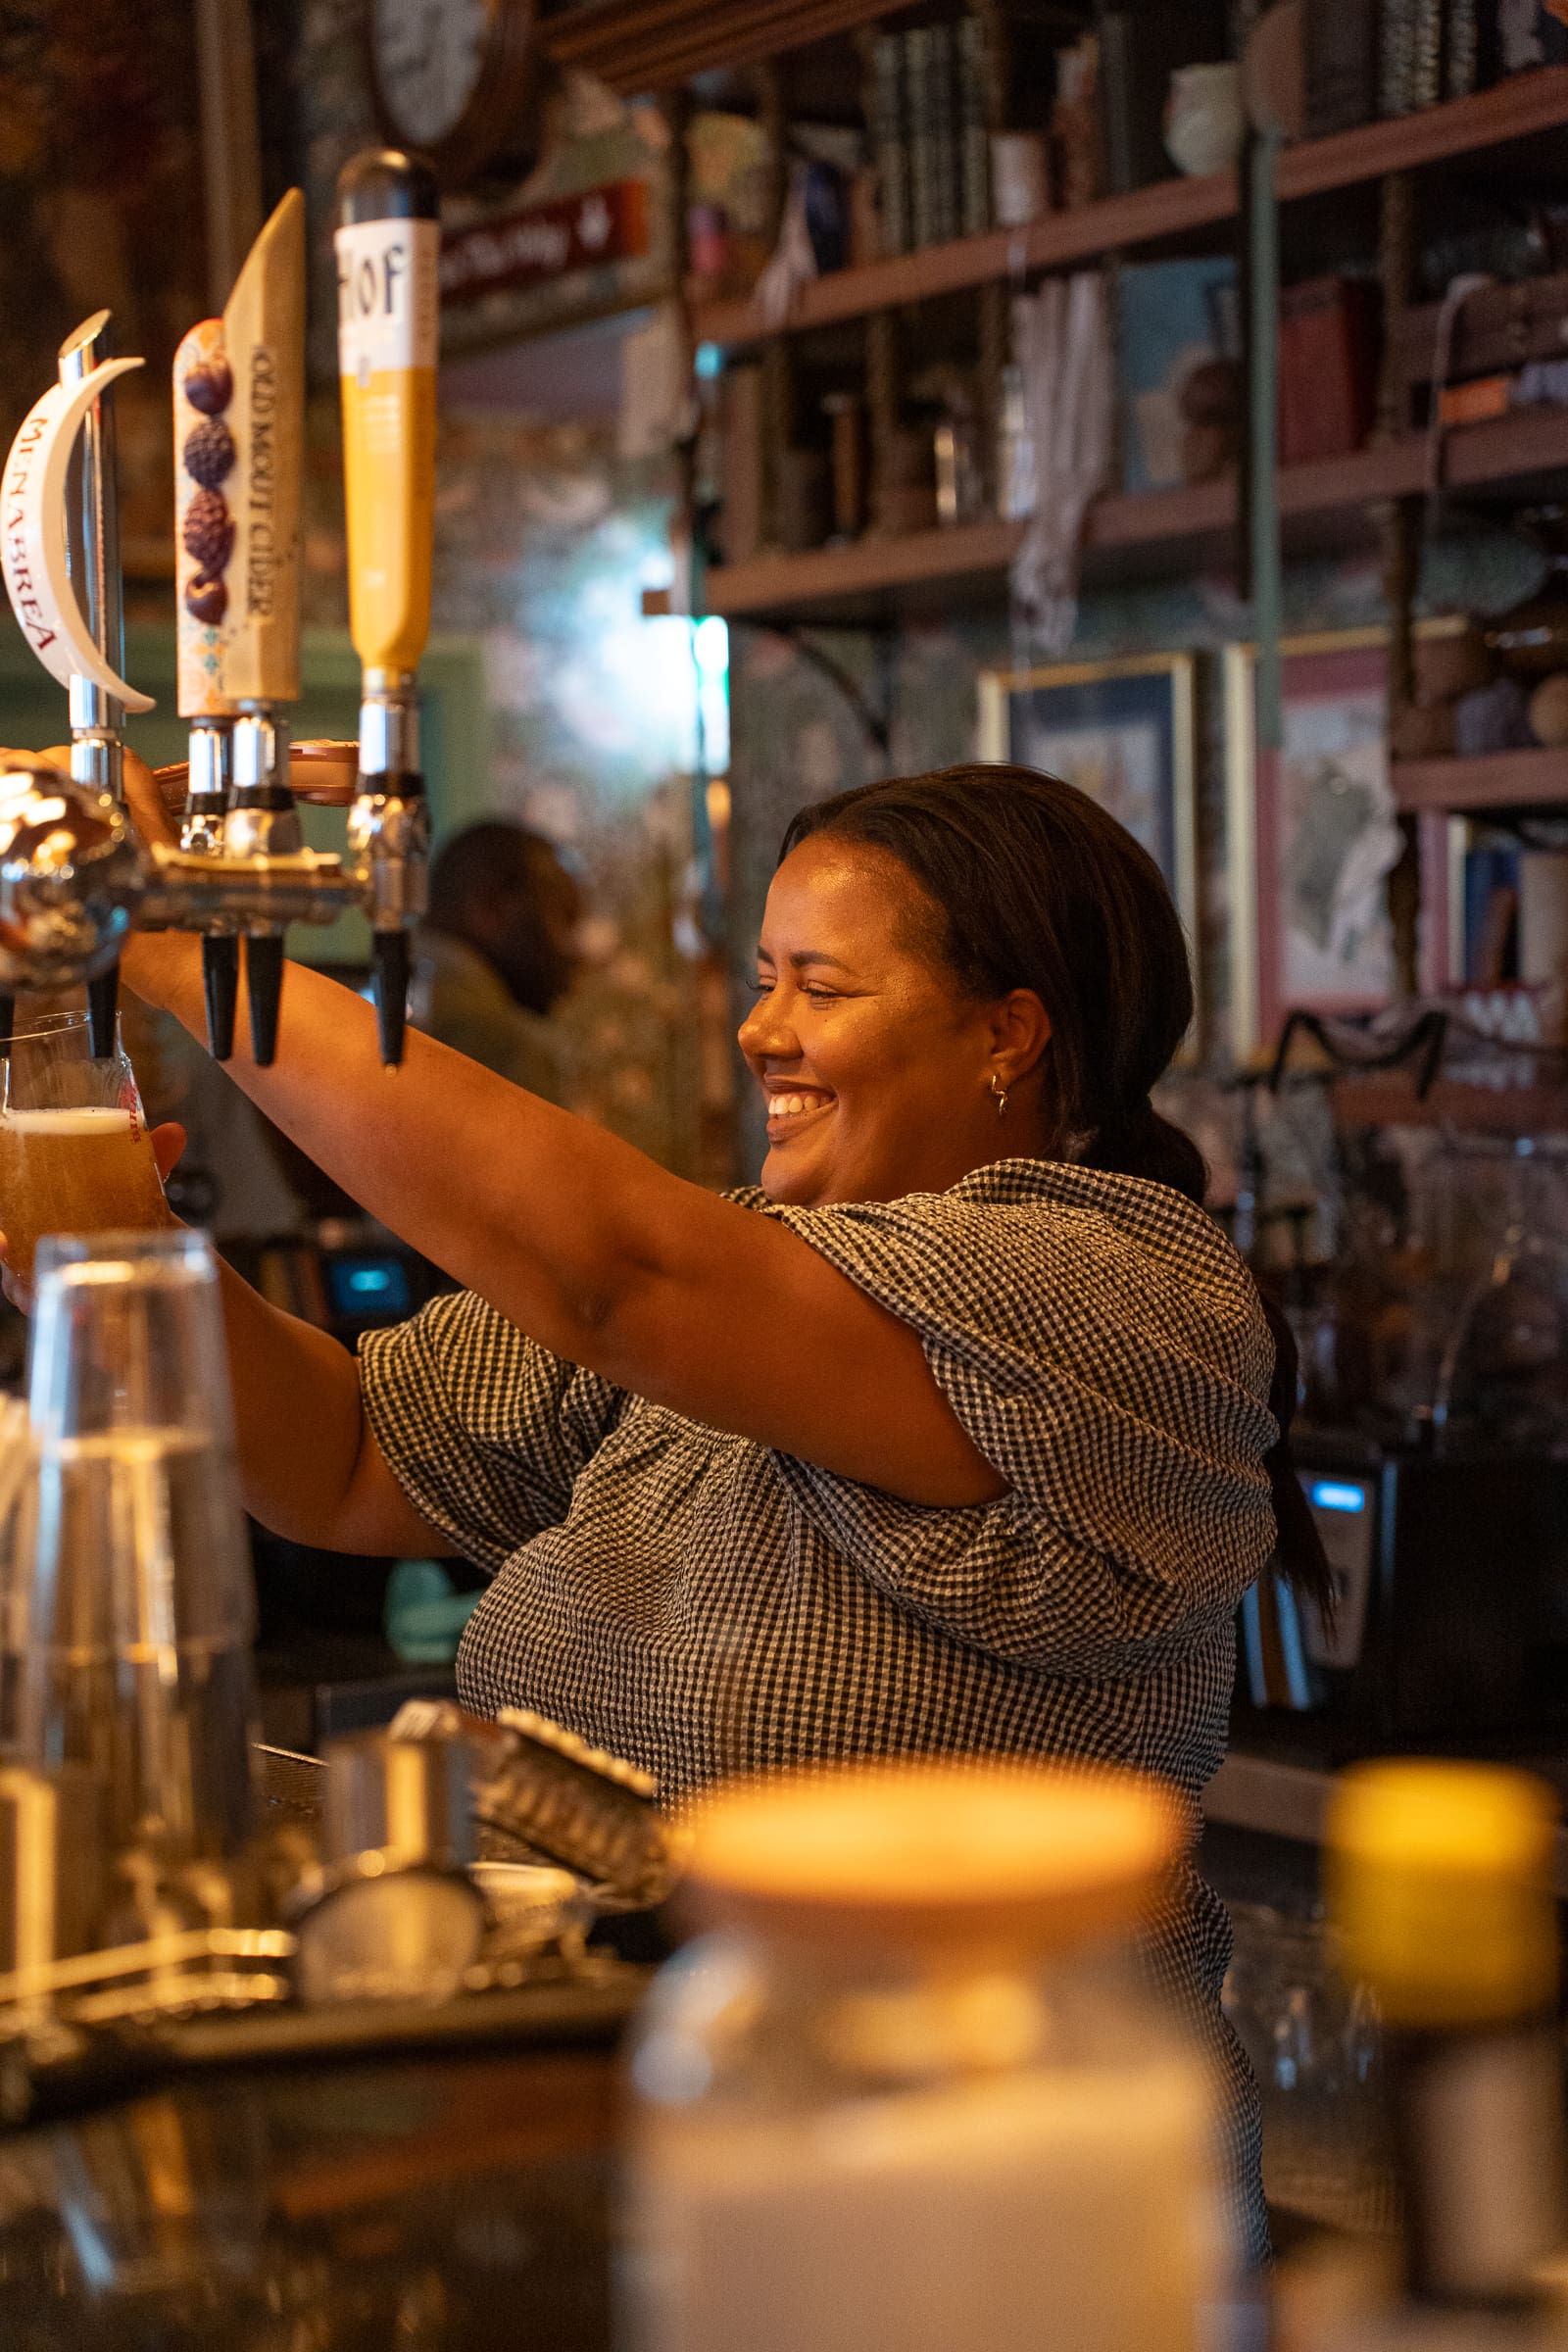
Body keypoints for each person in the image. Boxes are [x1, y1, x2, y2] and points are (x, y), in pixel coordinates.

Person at [6, 754, 1328, 2266]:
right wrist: (101, 1243)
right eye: (764, 978)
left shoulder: (1121, 1295)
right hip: (667, 2177)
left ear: (1006, 1035)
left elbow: (614, 1273)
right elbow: (349, 1458)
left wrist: (169, 931)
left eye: (821, 987)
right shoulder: (752, 1274)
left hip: (990, 2209)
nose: (762, 1030)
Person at [412, 819, 583, 1102]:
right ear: (490, 908)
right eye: (564, 919)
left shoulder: (367, 997)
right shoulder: (505, 1046)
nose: (575, 953)